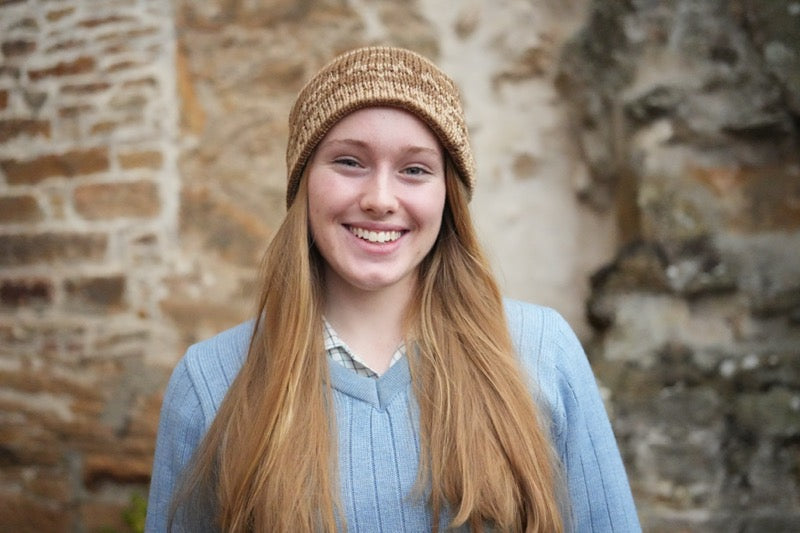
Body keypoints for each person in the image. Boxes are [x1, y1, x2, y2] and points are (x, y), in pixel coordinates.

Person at [145, 46, 641, 532]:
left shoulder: (542, 351)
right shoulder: (210, 383)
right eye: (349, 162)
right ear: (303, 185)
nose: (380, 199)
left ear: (448, 196)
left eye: (415, 169)